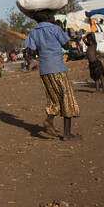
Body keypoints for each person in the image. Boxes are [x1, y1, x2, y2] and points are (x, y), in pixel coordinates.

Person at [25, 10, 81, 141]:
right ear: (48, 16)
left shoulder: (34, 32)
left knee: (53, 98)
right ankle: (67, 134)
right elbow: (66, 46)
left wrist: (42, 47)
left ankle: (49, 120)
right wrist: (61, 29)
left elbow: (32, 52)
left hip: (45, 70)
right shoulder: (55, 29)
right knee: (67, 97)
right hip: (57, 68)